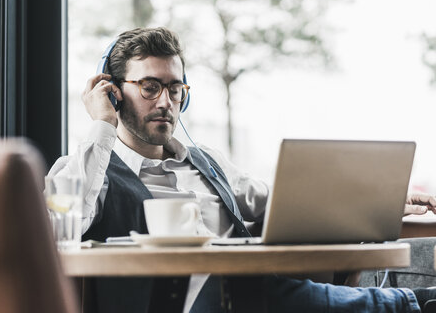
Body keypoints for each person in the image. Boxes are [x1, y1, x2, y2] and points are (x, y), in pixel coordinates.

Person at [49, 27, 436, 313]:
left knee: (254, 288)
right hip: (174, 304)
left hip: (252, 293)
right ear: (113, 91)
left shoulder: (208, 161)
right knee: (244, 289)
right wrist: (102, 125)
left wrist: (384, 201)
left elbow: (290, 205)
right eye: (149, 86)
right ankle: (410, 305)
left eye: (175, 88)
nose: (165, 101)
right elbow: (58, 225)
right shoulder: (84, 167)